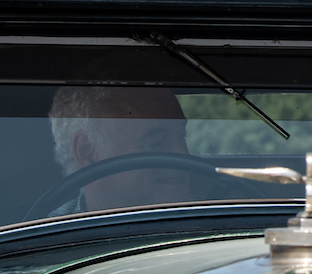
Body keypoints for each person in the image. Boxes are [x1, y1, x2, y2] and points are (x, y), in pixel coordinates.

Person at [48, 85, 206, 212]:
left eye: (182, 136)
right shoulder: (48, 238)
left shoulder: (216, 216)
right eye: (156, 142)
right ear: (87, 151)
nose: (182, 153)